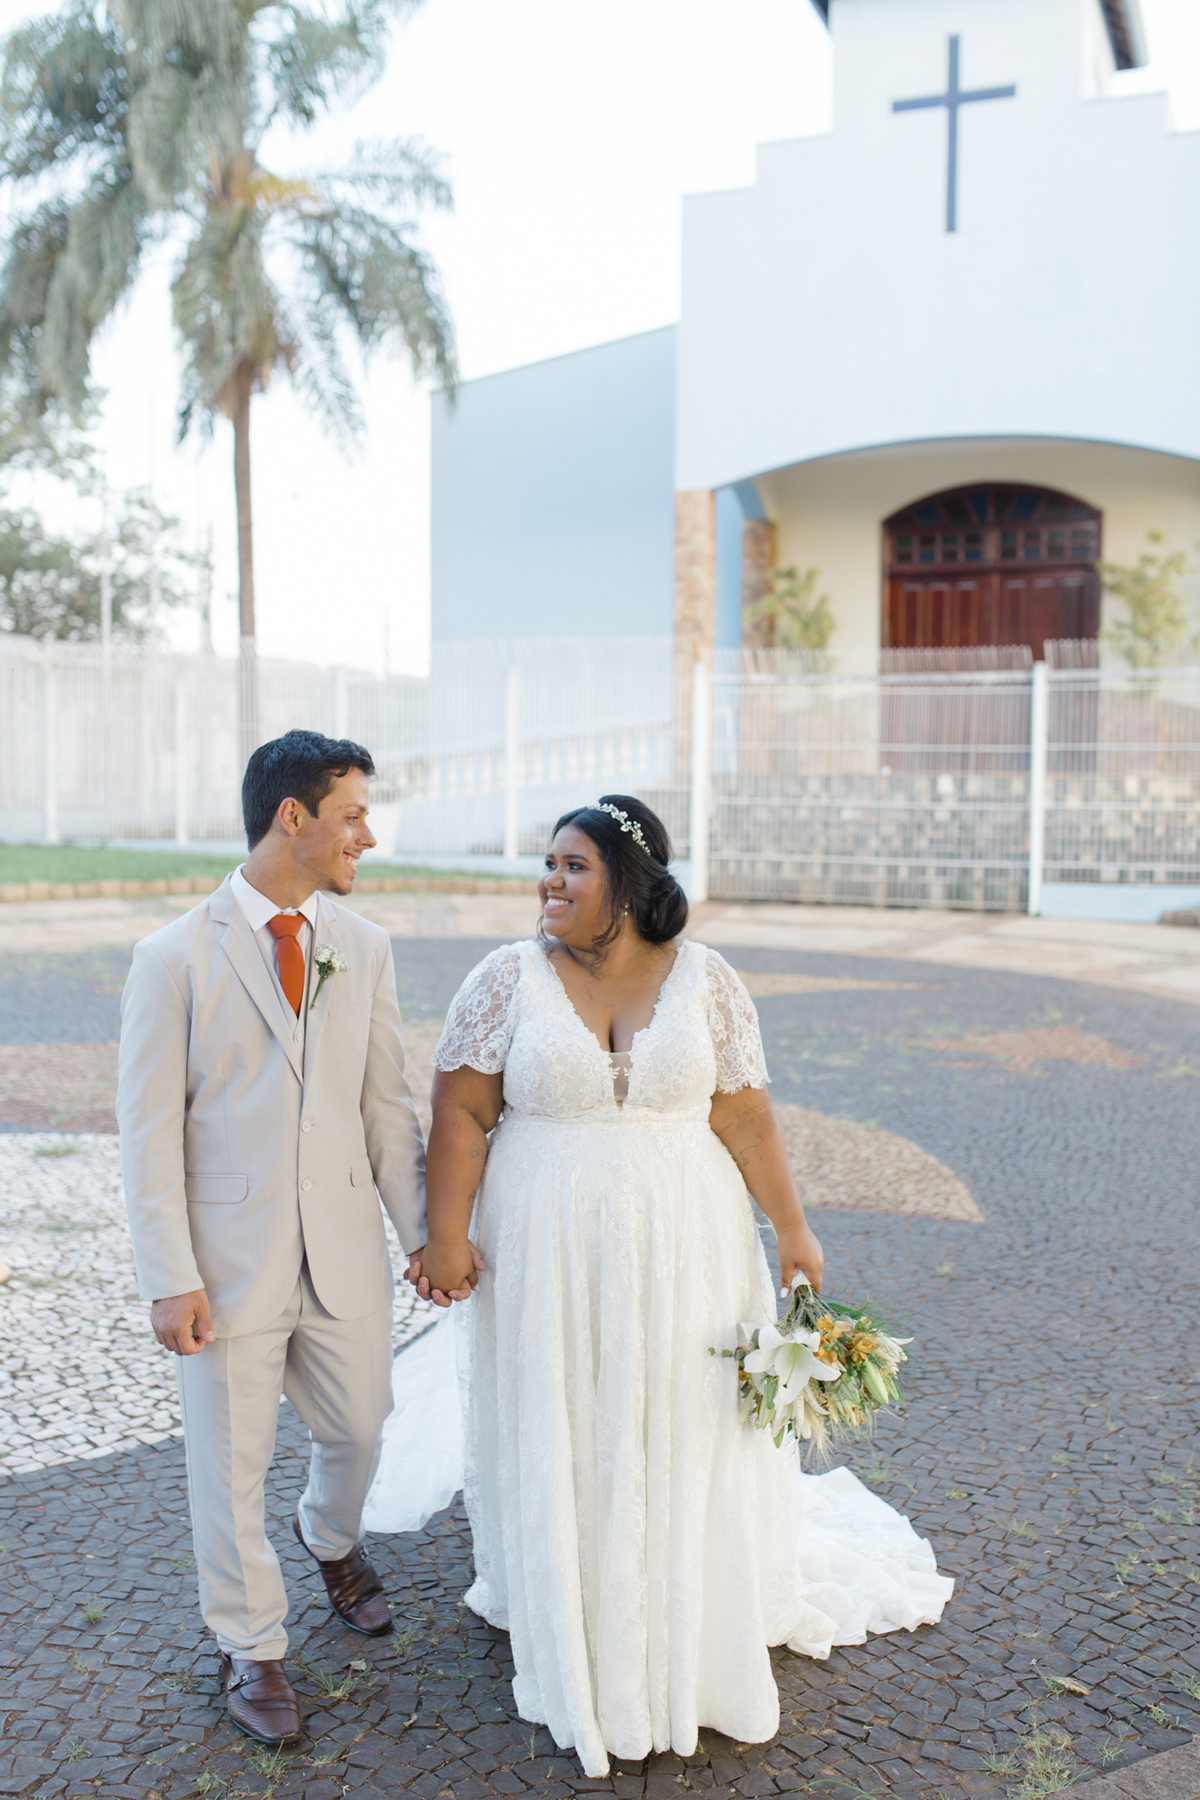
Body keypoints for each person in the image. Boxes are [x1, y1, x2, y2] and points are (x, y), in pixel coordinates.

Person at [397, 795, 952, 1778]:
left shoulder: (708, 979)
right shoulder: (506, 978)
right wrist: (446, 1236)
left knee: (681, 1413)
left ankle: (687, 1606)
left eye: (573, 865)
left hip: (690, 1243)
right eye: (549, 863)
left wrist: (793, 1228)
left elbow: (745, 1117)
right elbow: (459, 1112)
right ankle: (577, 1600)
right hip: (547, 1248)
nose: (550, 881)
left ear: (629, 882)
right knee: (570, 1409)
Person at [117, 730, 426, 1749]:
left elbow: (386, 1108)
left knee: (363, 1427)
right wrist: (169, 1276)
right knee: (229, 1466)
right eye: (352, 816)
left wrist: (425, 1237)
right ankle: (251, 1646)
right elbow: (149, 1132)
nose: (366, 837)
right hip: (225, 1265)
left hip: (341, 1250)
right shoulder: (172, 958)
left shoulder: (362, 947)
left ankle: (329, 1536)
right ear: (293, 817)